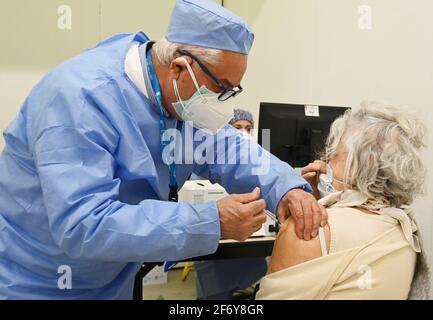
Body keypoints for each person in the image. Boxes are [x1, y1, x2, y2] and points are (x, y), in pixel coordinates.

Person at [0, 0, 326, 299]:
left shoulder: (180, 99)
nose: (222, 104)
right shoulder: (80, 99)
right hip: (37, 282)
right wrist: (210, 221)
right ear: (180, 68)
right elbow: (84, 224)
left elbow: (229, 149)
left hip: (114, 280)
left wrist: (286, 189)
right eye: (221, 89)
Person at [256, 102, 430, 300]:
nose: (325, 163)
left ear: (359, 165)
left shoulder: (307, 229)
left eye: (334, 154)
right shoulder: (406, 233)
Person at [194, 109, 267, 300]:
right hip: (214, 237)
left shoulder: (259, 164)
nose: (244, 133)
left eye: (248, 128)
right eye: (237, 128)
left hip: (248, 239)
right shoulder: (207, 161)